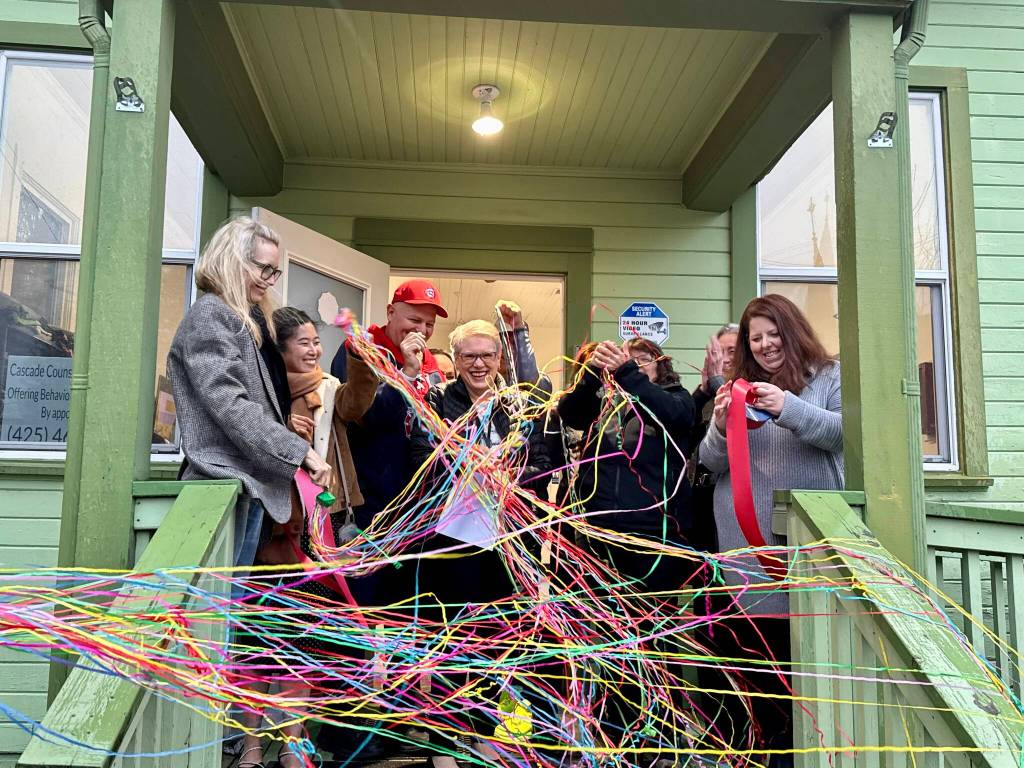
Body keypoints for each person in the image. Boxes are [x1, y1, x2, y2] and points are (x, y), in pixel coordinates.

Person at [697, 294, 843, 766]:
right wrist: (720, 426)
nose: (764, 345)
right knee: (756, 671)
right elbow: (710, 462)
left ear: (792, 330)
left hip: (804, 549)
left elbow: (841, 435)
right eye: (755, 338)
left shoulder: (828, 377)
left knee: (805, 667)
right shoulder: (740, 387)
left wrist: (789, 407)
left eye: (773, 333)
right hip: (743, 553)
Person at [237, 307, 378, 768]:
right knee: (262, 643)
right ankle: (252, 745)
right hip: (273, 532)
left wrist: (357, 354)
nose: (314, 350)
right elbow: (247, 442)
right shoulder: (264, 395)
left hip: (322, 530)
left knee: (306, 641)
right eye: (303, 342)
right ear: (280, 350)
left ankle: (293, 743)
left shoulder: (331, 389)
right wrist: (283, 435)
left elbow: (359, 402)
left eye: (317, 341)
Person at [410, 319, 551, 768]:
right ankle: (447, 747)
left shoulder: (517, 405)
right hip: (449, 542)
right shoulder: (436, 401)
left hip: (508, 543)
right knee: (449, 643)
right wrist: (459, 463)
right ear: (455, 359)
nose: (478, 363)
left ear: (499, 359)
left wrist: (513, 475)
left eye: (487, 355)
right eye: (468, 355)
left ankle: (489, 738)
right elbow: (417, 456)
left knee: (501, 642)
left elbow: (542, 461)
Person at [317, 279, 449, 760]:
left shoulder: (432, 366)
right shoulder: (361, 349)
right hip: (367, 509)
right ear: (391, 312)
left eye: (429, 324)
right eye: (414, 319)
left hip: (413, 513)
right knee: (357, 619)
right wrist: (409, 374)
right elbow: (366, 416)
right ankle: (349, 736)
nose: (422, 330)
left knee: (399, 619)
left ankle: (392, 722)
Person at [167, 217, 332, 572]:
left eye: (275, 272)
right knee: (217, 614)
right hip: (223, 484)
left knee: (229, 612)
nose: (270, 280)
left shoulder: (241, 319)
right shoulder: (212, 316)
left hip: (246, 488)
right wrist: (301, 452)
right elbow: (231, 404)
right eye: (264, 269)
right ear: (232, 260)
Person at [687, 323, 739, 552]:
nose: (724, 360)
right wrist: (703, 390)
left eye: (732, 352)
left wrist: (717, 380)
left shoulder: (750, 391)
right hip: (699, 496)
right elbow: (685, 428)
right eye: (718, 353)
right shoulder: (711, 393)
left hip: (730, 498)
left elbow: (737, 416)